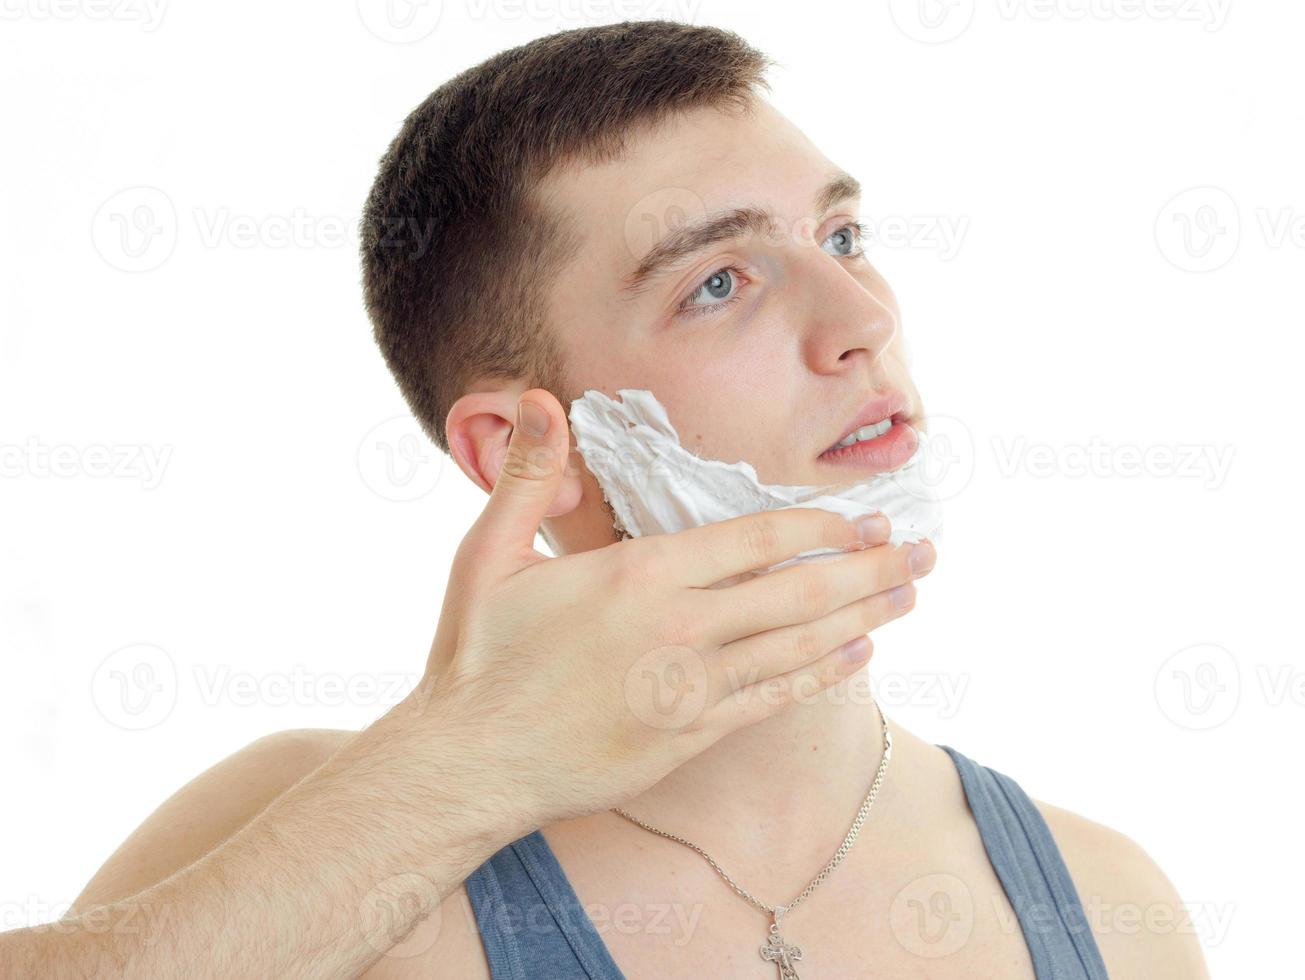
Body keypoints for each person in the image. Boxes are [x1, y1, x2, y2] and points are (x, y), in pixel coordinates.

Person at [0, 20, 1210, 979]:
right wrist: (460, 771)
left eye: (841, 237)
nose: (864, 321)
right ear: (540, 446)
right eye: (722, 279)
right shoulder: (311, 841)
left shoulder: (1104, 907)